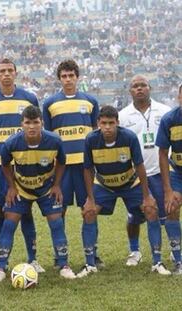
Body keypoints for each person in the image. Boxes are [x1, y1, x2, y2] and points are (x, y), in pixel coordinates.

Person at [78, 105, 170, 278]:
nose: (107, 127)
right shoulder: (91, 139)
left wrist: (146, 196)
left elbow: (139, 166)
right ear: (98, 123)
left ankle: (157, 262)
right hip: (104, 183)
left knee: (151, 210)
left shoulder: (128, 137)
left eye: (111, 123)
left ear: (117, 123)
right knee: (89, 212)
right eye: (103, 123)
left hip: (129, 182)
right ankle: (90, 264)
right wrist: (90, 199)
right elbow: (88, 170)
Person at [0, 106, 76, 283]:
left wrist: (57, 185)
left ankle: (64, 265)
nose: (31, 127)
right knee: (9, 223)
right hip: (22, 188)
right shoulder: (11, 143)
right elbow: (5, 165)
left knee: (56, 222)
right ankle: (0, 267)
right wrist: (12, 187)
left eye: (35, 122)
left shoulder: (54, 141)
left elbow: (61, 162)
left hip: (46, 188)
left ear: (42, 123)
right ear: (21, 124)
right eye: (27, 122)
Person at [0, 58, 44, 273]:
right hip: (0, 166)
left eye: (10, 70)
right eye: (2, 71)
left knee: (26, 212)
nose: (6, 74)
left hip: (25, 165)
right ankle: (3, 261)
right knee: (3, 211)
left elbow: (35, 125)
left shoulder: (29, 98)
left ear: (16, 73)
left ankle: (33, 258)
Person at [42, 59, 101, 267]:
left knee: (89, 209)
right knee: (59, 210)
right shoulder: (50, 104)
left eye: (71, 75)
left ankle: (93, 254)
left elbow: (95, 133)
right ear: (59, 78)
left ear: (77, 77)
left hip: (85, 167)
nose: (68, 79)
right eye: (64, 76)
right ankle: (60, 256)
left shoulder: (90, 102)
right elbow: (48, 137)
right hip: (62, 168)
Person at [119, 75, 178, 267]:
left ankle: (172, 249)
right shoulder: (122, 116)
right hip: (136, 175)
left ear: (150, 88)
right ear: (130, 91)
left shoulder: (165, 111)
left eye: (143, 85)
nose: (139, 89)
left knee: (168, 212)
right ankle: (135, 251)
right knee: (136, 216)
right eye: (135, 86)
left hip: (161, 171)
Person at [155, 83, 182, 274]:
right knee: (171, 207)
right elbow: (163, 153)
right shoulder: (169, 119)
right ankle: (178, 259)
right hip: (178, 172)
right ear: (179, 97)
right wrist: (167, 190)